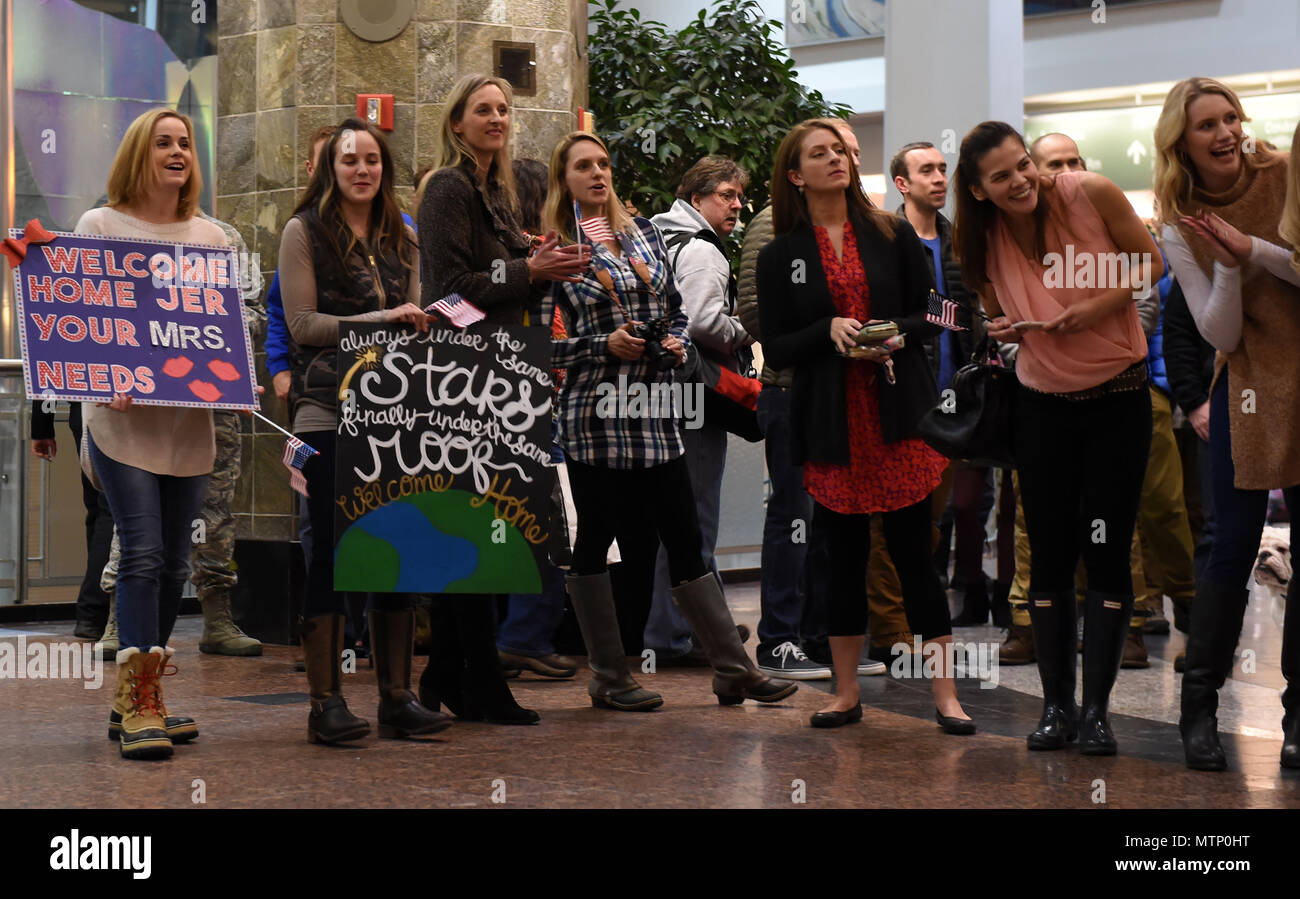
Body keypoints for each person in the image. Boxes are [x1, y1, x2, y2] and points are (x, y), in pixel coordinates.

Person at [543, 130, 796, 712]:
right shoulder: (553, 248)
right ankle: (609, 676)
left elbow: (678, 312)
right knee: (596, 542)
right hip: (596, 416)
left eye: (603, 163)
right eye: (583, 166)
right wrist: (601, 345)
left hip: (656, 412)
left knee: (683, 535)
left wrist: (678, 343)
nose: (597, 174)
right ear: (564, 180)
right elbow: (539, 346)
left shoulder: (644, 234)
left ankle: (732, 670)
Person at [953, 120, 1161, 754]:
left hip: (1119, 396)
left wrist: (1092, 309)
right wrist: (1006, 325)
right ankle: (1055, 709)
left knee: (1106, 548)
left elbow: (1151, 265)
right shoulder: (979, 237)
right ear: (980, 190)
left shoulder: (1088, 192)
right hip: (1042, 403)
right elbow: (992, 311)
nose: (1021, 181)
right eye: (1002, 176)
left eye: (1023, 165)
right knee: (1045, 554)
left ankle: (1096, 712)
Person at [757, 119, 972, 733]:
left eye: (839, 152)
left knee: (914, 557)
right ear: (796, 174)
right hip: (832, 420)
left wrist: (893, 334)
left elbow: (935, 312)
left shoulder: (890, 233)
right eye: (818, 154)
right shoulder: (782, 253)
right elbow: (775, 347)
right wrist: (826, 332)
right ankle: (846, 692)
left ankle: (947, 697)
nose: (835, 160)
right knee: (843, 559)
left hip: (898, 412)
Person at [416, 75, 588, 724]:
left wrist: (540, 266)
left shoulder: (502, 188)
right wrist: (528, 270)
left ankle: (447, 673)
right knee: (476, 532)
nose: (497, 117)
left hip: (509, 373)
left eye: (504, 109)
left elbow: (511, 283)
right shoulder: (448, 188)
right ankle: (478, 679)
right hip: (464, 381)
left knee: (496, 529)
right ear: (456, 123)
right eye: (482, 109)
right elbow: (450, 289)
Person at [282, 118, 451, 744]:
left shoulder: (402, 237)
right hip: (325, 408)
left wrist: (429, 323)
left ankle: (396, 697)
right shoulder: (303, 231)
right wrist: (384, 318)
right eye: (350, 159)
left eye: (373, 160)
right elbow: (301, 323)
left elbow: (416, 315)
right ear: (332, 168)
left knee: (396, 549)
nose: (362, 169)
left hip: (394, 411)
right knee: (330, 550)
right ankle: (325, 702)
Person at [1154, 80, 1300, 770]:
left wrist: (1251, 249)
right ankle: (1199, 710)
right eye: (1206, 124)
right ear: (1180, 142)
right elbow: (1219, 328)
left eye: (1231, 117)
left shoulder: (1285, 171)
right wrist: (1233, 268)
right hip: (1244, 380)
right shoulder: (1177, 220)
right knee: (1228, 549)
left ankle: (1297, 716)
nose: (1225, 133)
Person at [75, 108, 225, 759]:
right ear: (140, 153)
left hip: (189, 427)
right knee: (138, 551)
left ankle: (142, 696)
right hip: (122, 423)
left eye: (185, 143)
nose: (177, 151)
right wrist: (104, 371)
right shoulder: (99, 227)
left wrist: (234, 379)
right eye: (163, 142)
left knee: (171, 565)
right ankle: (141, 704)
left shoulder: (213, 238)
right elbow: (75, 321)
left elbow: (221, 332)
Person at [645, 156, 761, 668]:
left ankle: (690, 628)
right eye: (726, 195)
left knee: (670, 518)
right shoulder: (702, 251)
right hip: (696, 398)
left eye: (739, 196)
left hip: (656, 394)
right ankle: (677, 636)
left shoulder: (654, 236)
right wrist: (746, 328)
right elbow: (701, 322)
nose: (736, 205)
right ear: (697, 199)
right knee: (695, 518)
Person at [889, 139, 1008, 627]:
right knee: (918, 506)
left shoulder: (959, 239)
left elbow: (973, 309)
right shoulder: (888, 237)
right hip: (911, 390)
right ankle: (919, 602)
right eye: (927, 171)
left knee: (970, 500)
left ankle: (967, 588)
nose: (939, 179)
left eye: (943, 169)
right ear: (903, 183)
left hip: (963, 385)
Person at [494, 156, 581, 680]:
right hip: (537, 407)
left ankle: (511, 636)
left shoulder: (514, 257)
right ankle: (525, 636)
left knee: (509, 524)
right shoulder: (536, 256)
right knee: (550, 526)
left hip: (502, 402)